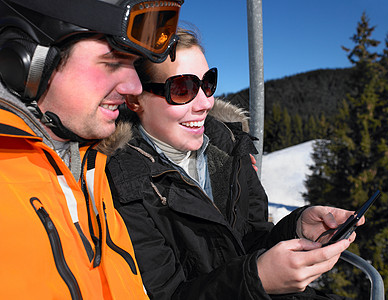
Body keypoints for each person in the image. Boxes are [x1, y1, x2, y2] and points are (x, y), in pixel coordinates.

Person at [103, 28, 363, 299]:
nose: (206, 102)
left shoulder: (229, 148)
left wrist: (296, 229)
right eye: (183, 89)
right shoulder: (122, 184)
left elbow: (253, 244)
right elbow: (168, 294)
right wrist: (256, 280)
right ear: (135, 99)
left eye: (207, 83)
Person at [0, 0, 184, 299]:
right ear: (26, 60)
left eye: (134, 64)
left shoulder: (91, 163)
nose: (134, 85)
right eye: (112, 62)